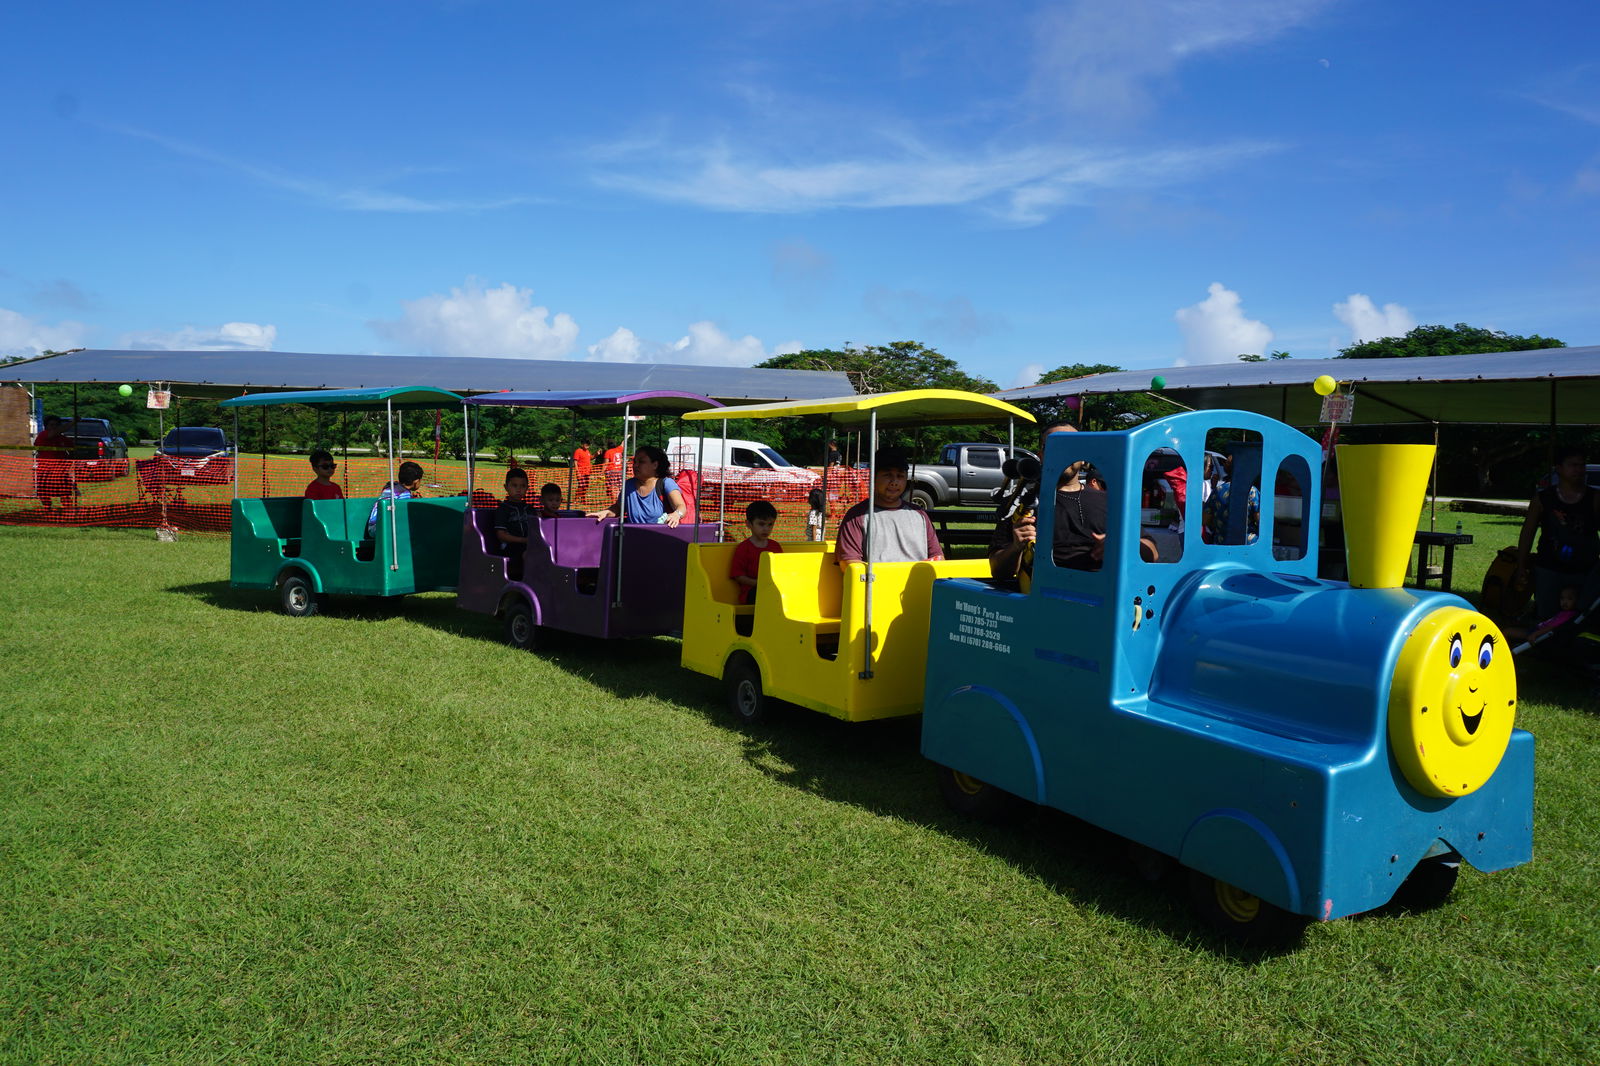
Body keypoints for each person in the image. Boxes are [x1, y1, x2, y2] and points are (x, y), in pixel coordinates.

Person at [990, 423, 1156, 580]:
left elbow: (1152, 553)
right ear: (1041, 455)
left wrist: (1122, 545)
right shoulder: (1021, 504)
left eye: (1071, 447)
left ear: (1083, 458)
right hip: (1047, 597)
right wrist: (1016, 547)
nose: (1063, 454)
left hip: (1104, 597)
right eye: (1054, 447)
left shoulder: (1110, 501)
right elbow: (998, 571)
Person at [1515, 445, 1600, 619]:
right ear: (1559, 469)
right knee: (1546, 619)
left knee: (1583, 619)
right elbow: (1528, 532)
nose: (1579, 469)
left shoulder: (1595, 497)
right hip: (1549, 569)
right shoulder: (1543, 498)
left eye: (1582, 465)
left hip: (1585, 571)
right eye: (1573, 465)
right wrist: (1521, 565)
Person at [835, 449, 943, 565]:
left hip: (918, 581)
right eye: (887, 475)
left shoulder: (920, 515)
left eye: (900, 476)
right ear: (873, 477)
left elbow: (938, 558)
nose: (894, 482)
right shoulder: (856, 516)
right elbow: (849, 563)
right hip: (875, 582)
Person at [587, 445, 687, 526]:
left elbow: (681, 507)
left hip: (660, 538)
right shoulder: (629, 484)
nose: (635, 465)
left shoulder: (666, 483)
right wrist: (606, 512)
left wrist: (676, 515)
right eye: (635, 462)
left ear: (655, 465)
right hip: (634, 537)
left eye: (641, 462)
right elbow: (618, 508)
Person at [730, 500, 784, 604]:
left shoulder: (775, 547)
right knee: (765, 594)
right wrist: (759, 583)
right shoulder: (743, 548)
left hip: (772, 589)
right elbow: (738, 576)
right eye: (761, 524)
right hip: (751, 593)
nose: (766, 529)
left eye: (770, 524)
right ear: (749, 524)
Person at [495, 469, 537, 578]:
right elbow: (501, 535)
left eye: (522, 486)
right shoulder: (503, 509)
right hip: (510, 547)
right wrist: (524, 540)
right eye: (514, 486)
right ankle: (532, 580)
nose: (518, 489)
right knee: (529, 554)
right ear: (506, 487)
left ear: (527, 488)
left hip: (530, 545)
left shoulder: (530, 509)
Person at [1504, 585, 1581, 643]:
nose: (1565, 602)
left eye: (1570, 599)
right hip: (1537, 628)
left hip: (1537, 632)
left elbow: (1552, 627)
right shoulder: (1564, 613)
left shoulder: (1568, 615)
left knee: (1507, 631)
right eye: (1562, 598)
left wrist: (1535, 634)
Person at [367, 461, 424, 537]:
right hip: (383, 530)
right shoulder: (405, 496)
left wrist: (411, 497)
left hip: (373, 527)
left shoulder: (391, 486)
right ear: (416, 481)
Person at [32, 415, 73, 509]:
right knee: (44, 493)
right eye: (51, 425)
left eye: (56, 425)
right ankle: (47, 509)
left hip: (60, 471)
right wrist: (72, 422)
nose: (53, 427)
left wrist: (69, 462)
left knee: (65, 493)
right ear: (46, 426)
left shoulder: (63, 438)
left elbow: (72, 450)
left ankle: (68, 510)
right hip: (45, 470)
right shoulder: (43, 435)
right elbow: (53, 433)